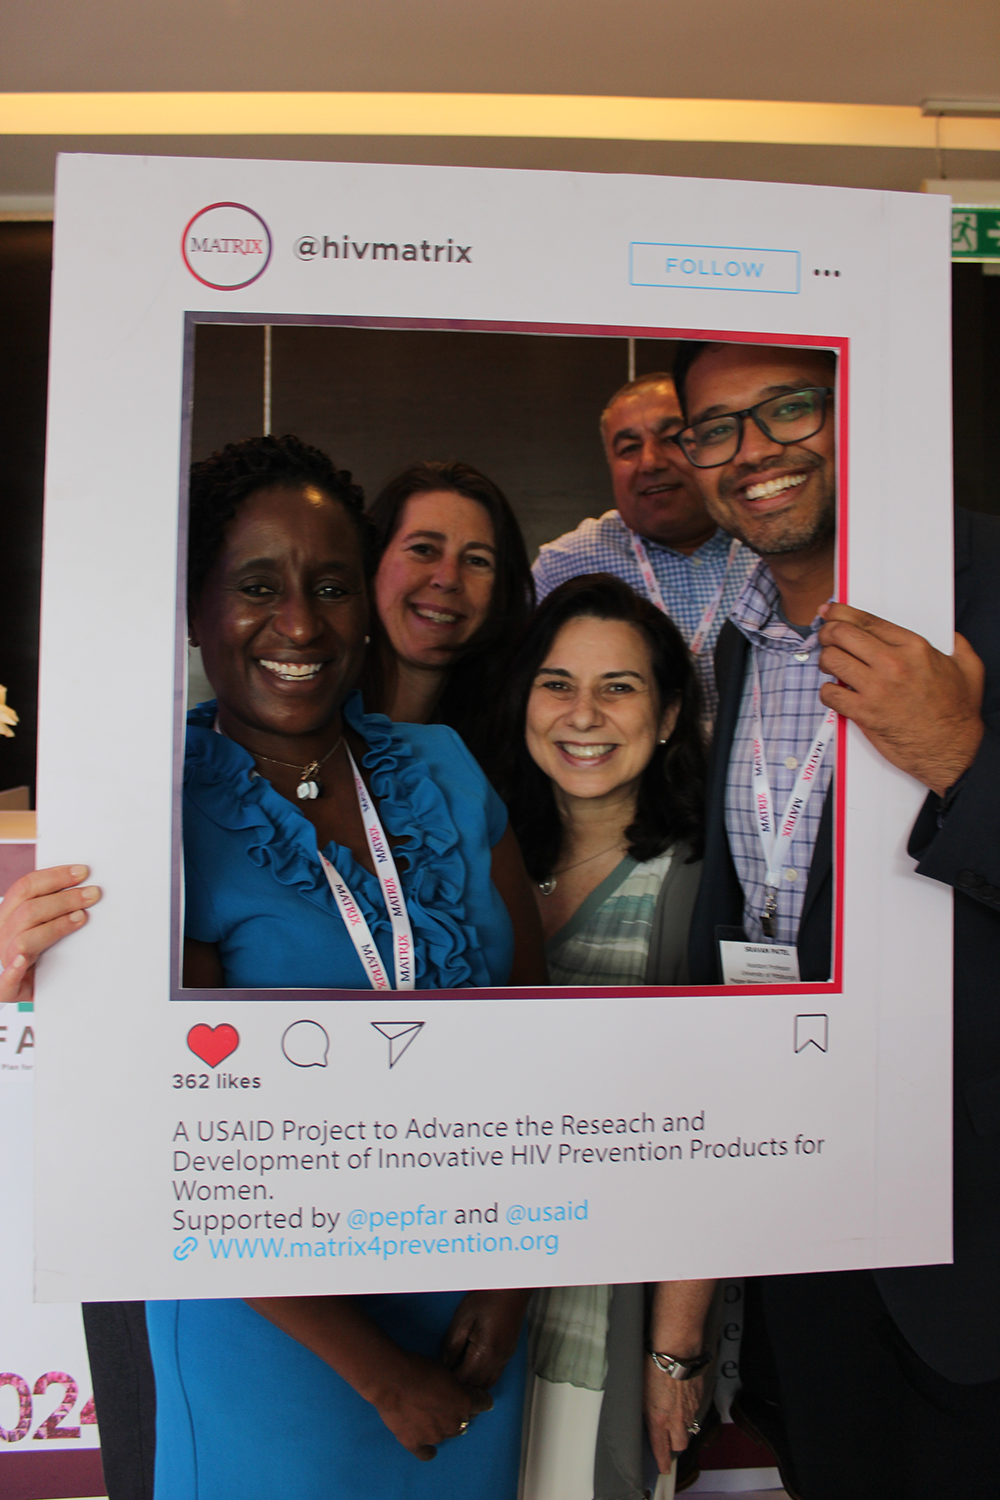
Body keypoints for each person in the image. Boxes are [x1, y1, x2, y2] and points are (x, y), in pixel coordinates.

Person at [4, 433, 548, 1500]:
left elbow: (535, 1041)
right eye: (257, 586)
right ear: (197, 607)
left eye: (331, 585)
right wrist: (380, 1377)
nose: (299, 623)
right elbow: (162, 1140)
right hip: (273, 1330)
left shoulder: (442, 768)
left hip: (472, 1306)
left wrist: (511, 1283)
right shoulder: (146, 814)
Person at [679, 337, 1000, 1498]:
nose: (752, 450)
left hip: (975, 1236)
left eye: (788, 409)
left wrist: (959, 757)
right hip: (802, 1211)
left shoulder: (987, 587)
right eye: (716, 427)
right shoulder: (734, 638)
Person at [494, 574, 718, 1497]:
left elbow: (717, 1140)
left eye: (619, 687)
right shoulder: (474, 864)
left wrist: (673, 1351)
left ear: (668, 717)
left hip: (598, 1333)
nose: (583, 713)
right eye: (557, 682)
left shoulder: (698, 889)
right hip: (461, 1320)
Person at [531, 372, 753, 722]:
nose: (650, 462)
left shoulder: (767, 546)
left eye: (671, 438)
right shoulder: (565, 566)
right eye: (629, 448)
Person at [362, 460, 534, 761]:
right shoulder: (307, 722)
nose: (448, 578)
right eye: (424, 549)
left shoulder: (507, 747)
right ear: (373, 562)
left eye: (477, 560)